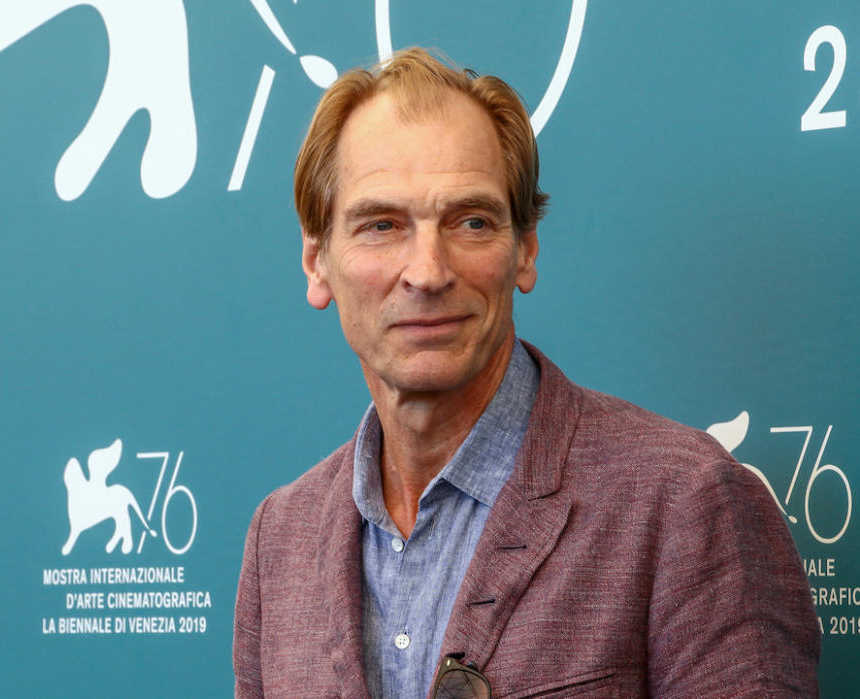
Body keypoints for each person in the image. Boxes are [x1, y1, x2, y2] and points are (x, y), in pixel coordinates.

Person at [233, 48, 819, 698]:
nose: (427, 271)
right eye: (381, 225)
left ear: (526, 250)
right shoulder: (278, 541)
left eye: (472, 221)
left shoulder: (686, 504)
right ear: (317, 262)